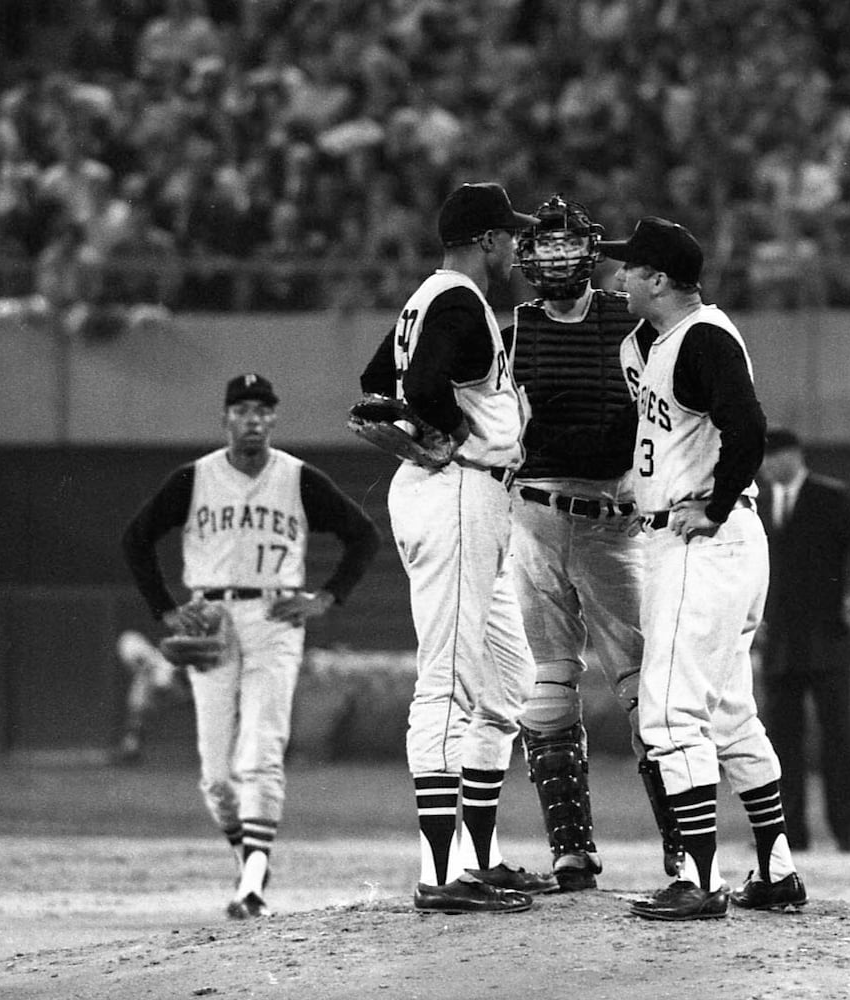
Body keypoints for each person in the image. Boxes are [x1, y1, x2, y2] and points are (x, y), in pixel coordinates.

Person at [358, 181, 557, 914]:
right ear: (484, 240)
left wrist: (434, 418)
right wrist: (450, 428)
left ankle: (480, 855)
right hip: (460, 492)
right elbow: (414, 382)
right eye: (508, 234)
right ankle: (440, 875)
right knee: (447, 681)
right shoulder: (457, 299)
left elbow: (380, 380)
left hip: (469, 495)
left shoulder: (432, 295)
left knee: (510, 677)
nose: (516, 245)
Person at [121, 373, 379, 920]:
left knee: (260, 752)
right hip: (209, 618)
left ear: (274, 419)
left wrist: (325, 598)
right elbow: (136, 539)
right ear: (226, 419)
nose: (253, 418)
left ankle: (254, 883)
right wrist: (166, 610)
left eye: (262, 409)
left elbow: (364, 536)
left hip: (274, 617)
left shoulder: (298, 478)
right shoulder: (194, 478)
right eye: (241, 409)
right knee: (216, 776)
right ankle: (251, 860)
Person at [606, 216, 806, 921]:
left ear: (659, 278)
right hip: (714, 545)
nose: (618, 275)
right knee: (728, 714)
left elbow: (748, 426)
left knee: (669, 711)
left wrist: (715, 503)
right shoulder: (664, 343)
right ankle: (777, 873)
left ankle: (698, 878)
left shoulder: (703, 336)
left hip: (703, 544)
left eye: (629, 267)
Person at [506, 194, 682, 891]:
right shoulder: (511, 329)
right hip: (535, 516)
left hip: (613, 517)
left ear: (590, 252)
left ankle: (683, 847)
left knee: (646, 689)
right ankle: (571, 852)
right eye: (542, 246)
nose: (554, 258)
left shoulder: (628, 318)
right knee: (548, 686)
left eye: (565, 246)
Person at [756, 427, 850, 854]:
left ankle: (847, 830)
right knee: (780, 745)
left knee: (837, 740)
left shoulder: (829, 497)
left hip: (827, 642)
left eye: (772, 458)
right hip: (779, 644)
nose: (765, 468)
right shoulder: (758, 506)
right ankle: (788, 833)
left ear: (793, 456)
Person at [111, 628, 192, 765]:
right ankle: (130, 749)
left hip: (174, 685)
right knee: (137, 712)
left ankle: (131, 749)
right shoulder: (145, 663)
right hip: (164, 683)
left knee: (139, 710)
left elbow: (167, 686)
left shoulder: (161, 668)